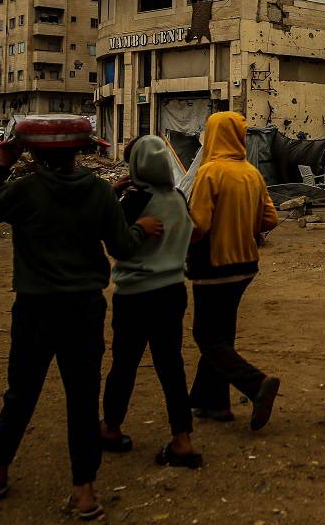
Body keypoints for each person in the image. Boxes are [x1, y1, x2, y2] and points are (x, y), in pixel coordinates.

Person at [0, 135, 162, 521]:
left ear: (32, 151)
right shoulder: (99, 191)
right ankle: (84, 492)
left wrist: (1, 164)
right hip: (85, 309)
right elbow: (122, 246)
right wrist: (140, 228)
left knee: (21, 392)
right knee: (83, 399)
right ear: (77, 151)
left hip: (36, 308)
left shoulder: (25, 190)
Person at [100, 135, 202, 469]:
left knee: (124, 364)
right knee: (171, 365)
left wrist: (115, 192)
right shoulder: (177, 198)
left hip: (136, 295)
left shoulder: (133, 201)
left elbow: (117, 245)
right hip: (172, 291)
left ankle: (111, 428)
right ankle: (182, 438)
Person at [186, 111, 282, 430]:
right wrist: (243, 224)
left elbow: (198, 225)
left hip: (214, 266)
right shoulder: (251, 173)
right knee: (221, 335)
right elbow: (270, 220)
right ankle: (212, 403)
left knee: (206, 335)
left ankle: (256, 384)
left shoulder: (209, 172)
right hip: (245, 266)